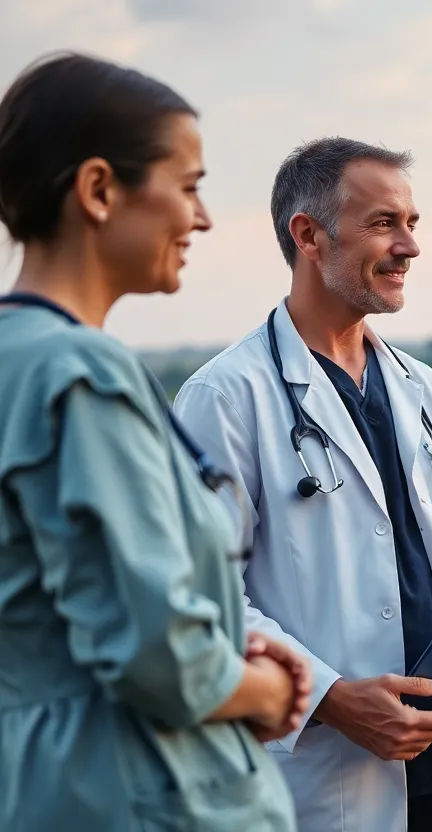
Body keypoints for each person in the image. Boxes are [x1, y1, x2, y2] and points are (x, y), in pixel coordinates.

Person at [0, 52, 307, 830]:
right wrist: (270, 689)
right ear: (100, 189)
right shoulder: (81, 374)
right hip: (134, 788)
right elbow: (158, 653)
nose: (201, 218)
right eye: (190, 186)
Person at [171, 137, 432, 831]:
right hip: (321, 775)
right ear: (308, 235)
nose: (410, 246)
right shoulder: (226, 397)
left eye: (413, 224)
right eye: (385, 223)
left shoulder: (424, 388)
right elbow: (205, 597)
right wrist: (330, 697)